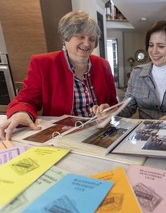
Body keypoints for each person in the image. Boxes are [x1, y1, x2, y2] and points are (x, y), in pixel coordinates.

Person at [0, 10, 118, 140]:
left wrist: (109, 109)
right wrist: (21, 112)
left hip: (99, 132)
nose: (87, 43)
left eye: (91, 39)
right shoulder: (43, 63)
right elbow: (25, 99)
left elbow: (113, 103)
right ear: (66, 37)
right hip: (61, 135)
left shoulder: (103, 65)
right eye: (80, 36)